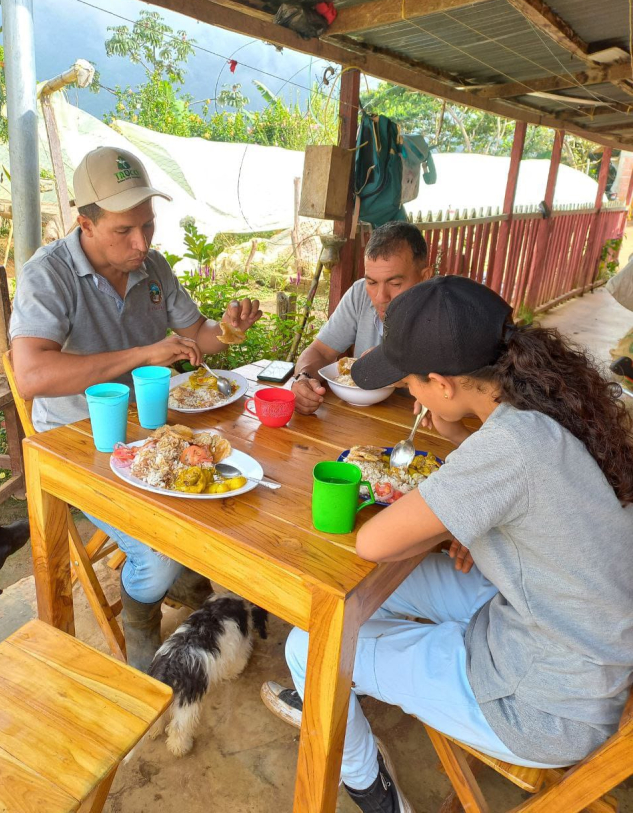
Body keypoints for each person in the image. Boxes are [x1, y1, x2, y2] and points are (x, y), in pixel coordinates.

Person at [263, 275, 633, 813]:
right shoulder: (544, 407)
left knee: (310, 645)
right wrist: (460, 496)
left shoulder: (509, 448)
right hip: (565, 635)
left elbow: (373, 541)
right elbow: (507, 483)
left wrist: (453, 513)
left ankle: (377, 796)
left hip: (543, 701)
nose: (407, 392)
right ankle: (367, 683)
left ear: (442, 383)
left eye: (409, 382)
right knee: (381, 594)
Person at [9, 146, 262, 671]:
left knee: (229, 486)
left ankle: (186, 580)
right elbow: (32, 375)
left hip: (152, 430)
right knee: (161, 549)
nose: (141, 243)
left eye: (148, 225)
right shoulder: (48, 274)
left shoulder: (151, 266)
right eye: (125, 230)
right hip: (78, 441)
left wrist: (228, 332)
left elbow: (198, 336)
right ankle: (142, 622)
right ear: (86, 223)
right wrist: (145, 353)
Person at [291, 221, 432, 415]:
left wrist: (404, 371)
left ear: (424, 278)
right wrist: (303, 379)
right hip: (357, 421)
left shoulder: (447, 314)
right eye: (372, 282)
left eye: (396, 283)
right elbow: (321, 351)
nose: (381, 297)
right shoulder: (360, 293)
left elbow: (469, 391)